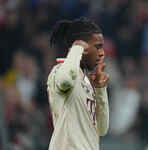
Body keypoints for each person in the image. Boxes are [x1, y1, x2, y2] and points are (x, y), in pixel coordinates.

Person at [47, 17, 109, 150]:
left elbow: (102, 129)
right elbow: (65, 81)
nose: (101, 53)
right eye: (97, 47)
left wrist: (100, 90)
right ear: (83, 47)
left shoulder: (86, 82)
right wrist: (76, 49)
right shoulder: (59, 71)